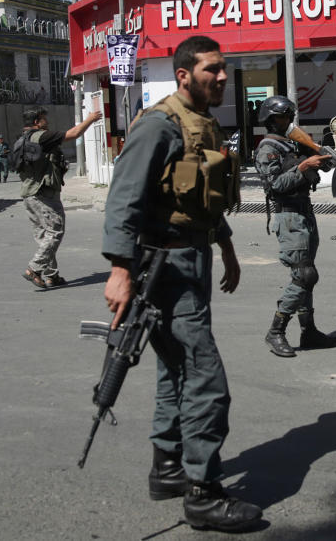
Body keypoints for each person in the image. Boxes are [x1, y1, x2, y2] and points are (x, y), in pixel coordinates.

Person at [101, 35, 262, 532]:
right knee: (203, 378)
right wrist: (120, 270)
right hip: (164, 270)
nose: (220, 76)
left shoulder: (204, 126)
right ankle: (203, 494)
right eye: (211, 69)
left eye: (223, 68)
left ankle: (167, 468)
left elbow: (201, 200)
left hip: (192, 261)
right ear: (183, 75)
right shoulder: (158, 126)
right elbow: (123, 200)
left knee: (175, 372)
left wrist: (227, 247)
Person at [254, 95, 336, 358]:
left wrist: (322, 157)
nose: (288, 121)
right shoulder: (268, 149)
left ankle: (308, 330)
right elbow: (275, 186)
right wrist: (303, 166)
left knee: (307, 275)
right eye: (282, 117)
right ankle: (276, 331)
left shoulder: (291, 145)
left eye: (290, 117)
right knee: (304, 275)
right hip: (288, 217)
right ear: (270, 120)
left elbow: (315, 169)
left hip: (305, 213)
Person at [19, 107, 101, 289]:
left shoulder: (22, 139)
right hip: (44, 194)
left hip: (28, 193)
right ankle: (34, 268)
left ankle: (51, 275)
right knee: (55, 230)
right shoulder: (42, 136)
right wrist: (90, 119)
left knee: (43, 235)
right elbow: (73, 133)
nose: (46, 122)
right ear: (36, 122)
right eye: (43, 119)